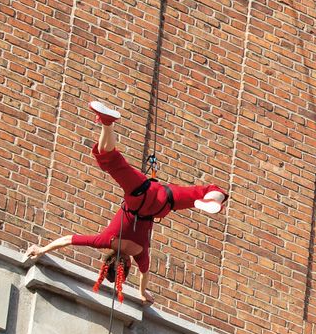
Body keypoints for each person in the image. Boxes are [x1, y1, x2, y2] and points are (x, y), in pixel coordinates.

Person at [25, 101, 227, 303]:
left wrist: (142, 292)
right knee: (108, 160)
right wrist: (41, 249)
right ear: (107, 259)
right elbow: (68, 239)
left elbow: (144, 274)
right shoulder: (104, 240)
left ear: (128, 265)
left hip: (164, 201)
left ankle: (211, 200)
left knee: (203, 192)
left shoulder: (140, 254)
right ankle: (107, 123)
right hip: (139, 193)